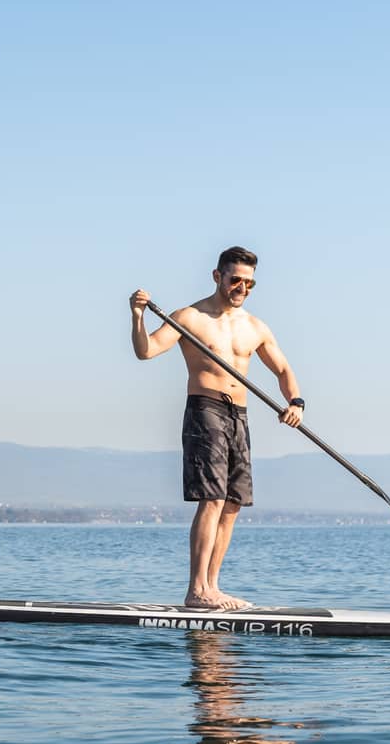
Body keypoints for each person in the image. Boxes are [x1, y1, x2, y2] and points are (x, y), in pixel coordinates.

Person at [129, 246, 303, 610]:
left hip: (239, 415)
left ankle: (213, 586)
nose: (242, 288)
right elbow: (146, 352)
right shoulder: (189, 318)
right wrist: (137, 317)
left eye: (249, 283)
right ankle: (196, 590)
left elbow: (284, 371)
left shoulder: (255, 327)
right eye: (235, 279)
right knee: (213, 498)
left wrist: (295, 403)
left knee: (233, 503)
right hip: (205, 409)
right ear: (217, 276)